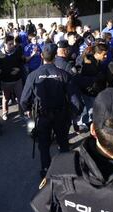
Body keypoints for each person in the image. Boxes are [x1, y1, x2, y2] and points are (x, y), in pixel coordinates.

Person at [21, 43, 81, 177]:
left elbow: (23, 100)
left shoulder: (33, 75)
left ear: (42, 56)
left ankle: (45, 170)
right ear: (55, 57)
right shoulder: (64, 74)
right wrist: (74, 114)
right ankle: (65, 171)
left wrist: (27, 110)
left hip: (42, 116)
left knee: (43, 145)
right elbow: (75, 100)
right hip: (61, 115)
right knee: (63, 143)